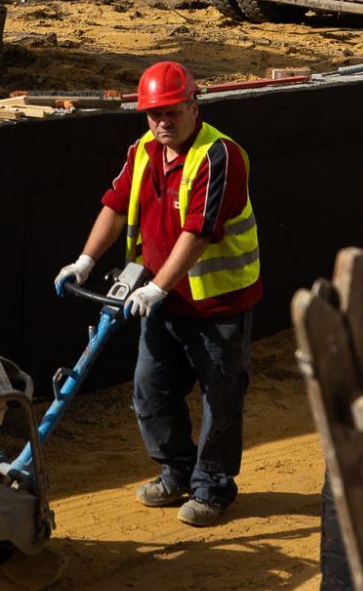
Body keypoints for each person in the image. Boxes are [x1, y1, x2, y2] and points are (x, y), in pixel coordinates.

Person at [53, 61, 259, 527]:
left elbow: (199, 232)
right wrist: (85, 259)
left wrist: (157, 286)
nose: (162, 123)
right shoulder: (144, 150)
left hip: (218, 304)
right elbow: (115, 203)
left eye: (171, 112)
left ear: (193, 105)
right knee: (150, 391)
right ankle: (177, 470)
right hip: (161, 300)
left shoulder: (218, 156)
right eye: (153, 115)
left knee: (220, 400)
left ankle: (213, 487)